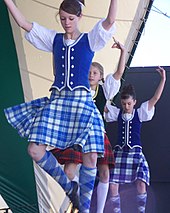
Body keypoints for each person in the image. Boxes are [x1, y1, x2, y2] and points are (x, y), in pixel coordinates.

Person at [3, 0, 118, 212]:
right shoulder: (54, 39)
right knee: (34, 150)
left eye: (71, 19)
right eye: (63, 18)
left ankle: (84, 208)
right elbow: (24, 23)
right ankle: (68, 187)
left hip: (81, 102)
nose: (66, 23)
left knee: (92, 155)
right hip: (59, 101)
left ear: (80, 17)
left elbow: (110, 20)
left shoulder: (89, 39)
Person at [51, 39, 126, 213]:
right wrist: (57, 51)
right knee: (69, 172)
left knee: (104, 172)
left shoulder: (104, 90)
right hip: (77, 134)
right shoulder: (77, 89)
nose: (91, 75)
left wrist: (123, 52)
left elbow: (119, 73)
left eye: (95, 72)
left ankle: (98, 211)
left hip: (97, 133)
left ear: (101, 77)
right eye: (88, 72)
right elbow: (59, 74)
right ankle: (77, 189)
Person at [104, 66, 166, 213]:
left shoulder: (141, 113)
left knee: (141, 184)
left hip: (135, 154)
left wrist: (163, 79)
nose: (126, 106)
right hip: (120, 153)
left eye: (129, 103)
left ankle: (141, 211)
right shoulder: (116, 113)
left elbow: (155, 98)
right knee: (113, 184)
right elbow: (103, 106)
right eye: (124, 103)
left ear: (135, 102)